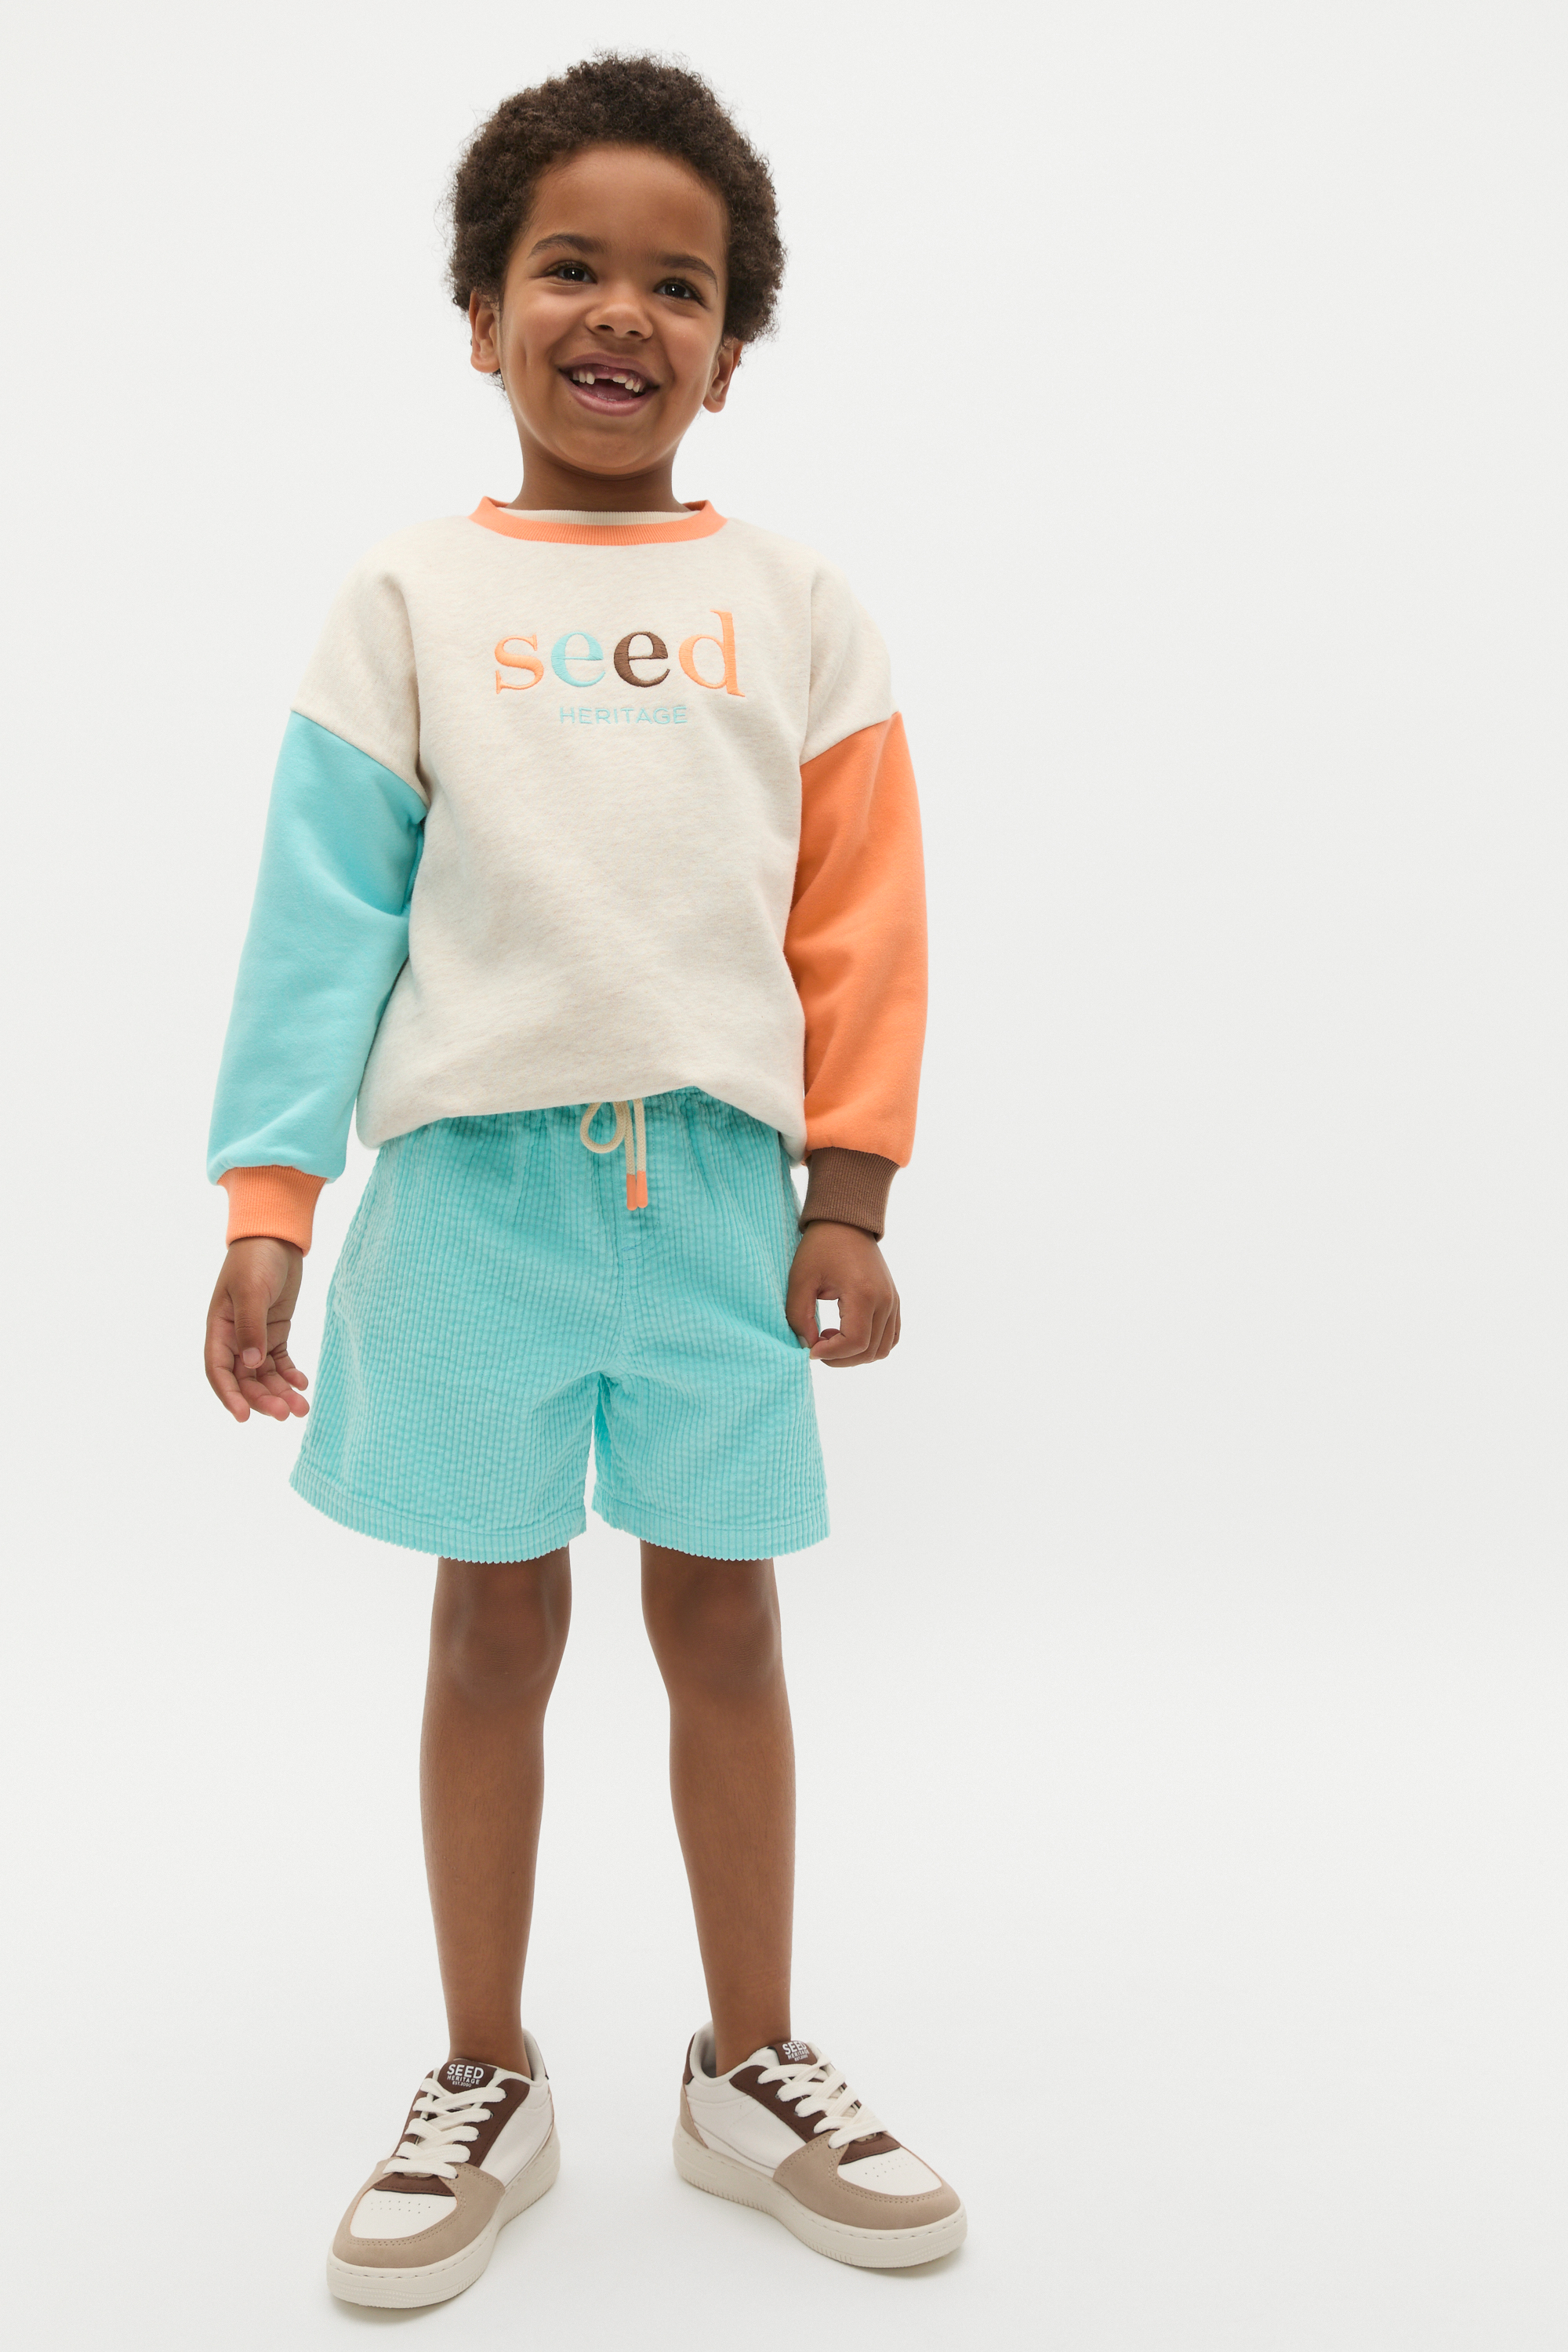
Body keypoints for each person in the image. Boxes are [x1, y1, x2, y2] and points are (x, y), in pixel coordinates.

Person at [202, 53, 964, 2306]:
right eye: (567, 267)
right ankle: (485, 2073)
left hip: (717, 1194)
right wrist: (269, 1212)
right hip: (472, 1203)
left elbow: (861, 920)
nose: (621, 311)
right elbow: (321, 925)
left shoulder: (796, 604)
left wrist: (850, 1190)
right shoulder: (407, 597)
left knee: (724, 1617)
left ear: (731, 351)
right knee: (492, 1617)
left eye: (680, 285)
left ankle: (752, 2060)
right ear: (481, 314)